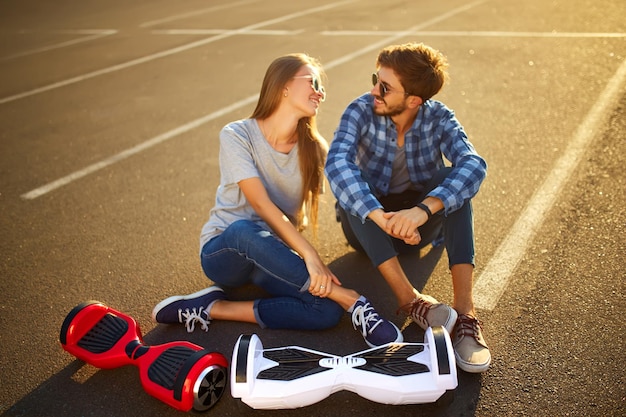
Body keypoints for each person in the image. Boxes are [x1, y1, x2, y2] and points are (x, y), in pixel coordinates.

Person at [152, 53, 402, 348]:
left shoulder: (315, 150)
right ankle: (354, 301)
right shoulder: (237, 134)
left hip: (272, 259)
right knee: (244, 230)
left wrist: (386, 216)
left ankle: (213, 307)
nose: (320, 92)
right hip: (225, 251)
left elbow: (347, 192)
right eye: (313, 82)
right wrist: (311, 257)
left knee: (325, 311)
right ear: (283, 85)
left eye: (321, 87)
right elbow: (260, 204)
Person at [324, 43, 490, 372]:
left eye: (384, 87)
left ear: (414, 100)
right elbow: (336, 163)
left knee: (453, 178)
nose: (374, 90)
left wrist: (422, 211)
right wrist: (380, 217)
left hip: (416, 224)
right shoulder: (360, 109)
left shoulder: (439, 117)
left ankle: (466, 316)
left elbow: (474, 164)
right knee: (354, 188)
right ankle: (409, 299)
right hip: (368, 227)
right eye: (376, 79)